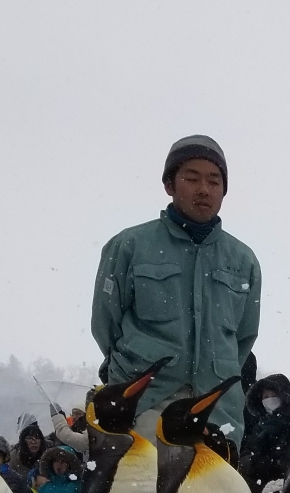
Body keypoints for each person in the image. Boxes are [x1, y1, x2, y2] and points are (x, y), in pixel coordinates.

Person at [91, 133, 260, 444]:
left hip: (216, 411)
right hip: (144, 404)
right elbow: (106, 324)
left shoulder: (243, 260)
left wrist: (215, 370)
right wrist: (136, 366)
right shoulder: (129, 246)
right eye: (191, 178)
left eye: (214, 181)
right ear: (170, 185)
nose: (203, 189)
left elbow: (244, 337)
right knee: (140, 491)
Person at [240, 373, 290, 493]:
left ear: (285, 397)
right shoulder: (258, 429)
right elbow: (245, 460)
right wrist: (254, 461)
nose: (269, 400)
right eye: (265, 396)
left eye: (274, 395)